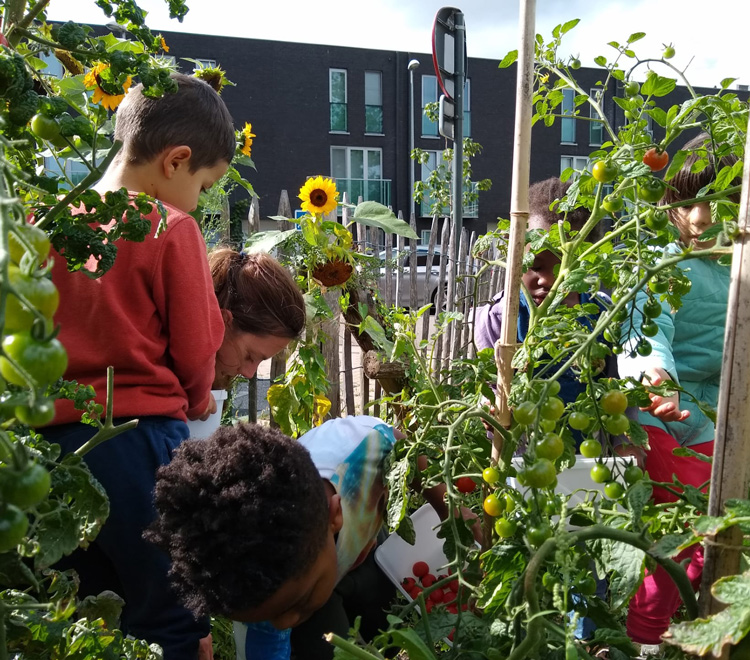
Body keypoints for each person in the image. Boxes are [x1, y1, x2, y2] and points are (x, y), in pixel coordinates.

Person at [43, 73, 305, 660]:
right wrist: (196, 402)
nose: (202, 199)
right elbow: (194, 347)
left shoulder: (52, 220)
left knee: (83, 604)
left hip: (52, 446)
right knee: (170, 609)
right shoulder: (169, 227)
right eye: (206, 184)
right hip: (136, 440)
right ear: (176, 161)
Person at [147, 416, 456, 660]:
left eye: (294, 604)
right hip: (325, 577)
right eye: (270, 615)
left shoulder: (358, 451)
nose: (284, 623)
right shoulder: (262, 592)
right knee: (326, 650)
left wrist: (449, 509)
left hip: (365, 554)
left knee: (383, 619)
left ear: (335, 517)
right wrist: (293, 610)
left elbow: (401, 446)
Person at [615, 133, 739, 653]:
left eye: (722, 198)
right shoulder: (665, 264)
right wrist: (654, 376)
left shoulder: (740, 262)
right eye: (692, 200)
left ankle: (693, 627)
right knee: (675, 530)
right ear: (673, 208)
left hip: (717, 407)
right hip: (661, 410)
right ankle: (641, 636)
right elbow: (647, 328)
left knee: (713, 529)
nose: (704, 213)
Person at [475, 177, 618, 442]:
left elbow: (616, 389)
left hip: (586, 457)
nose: (548, 281)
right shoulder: (497, 318)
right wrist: (490, 409)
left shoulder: (600, 315)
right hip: (519, 457)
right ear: (516, 255)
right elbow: (491, 387)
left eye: (565, 267)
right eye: (536, 266)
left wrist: (623, 443)